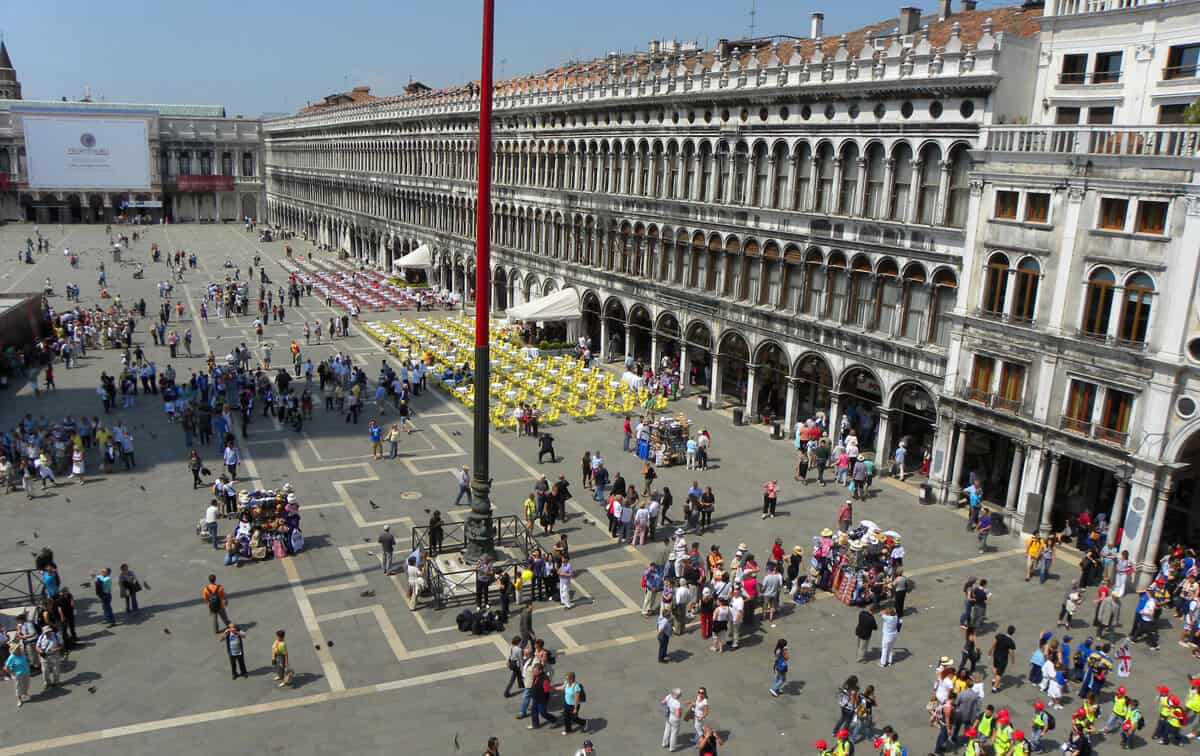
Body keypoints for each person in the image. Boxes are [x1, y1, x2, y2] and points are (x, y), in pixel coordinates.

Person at [991, 625, 1017, 692]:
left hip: (996, 654)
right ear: (1013, 633)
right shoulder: (1011, 642)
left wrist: (991, 650)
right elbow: (1012, 653)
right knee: (1000, 673)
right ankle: (994, 688)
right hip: (1003, 658)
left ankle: (994, 679)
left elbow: (994, 642)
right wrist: (1013, 662)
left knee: (995, 666)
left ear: (1007, 630)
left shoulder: (999, 636)